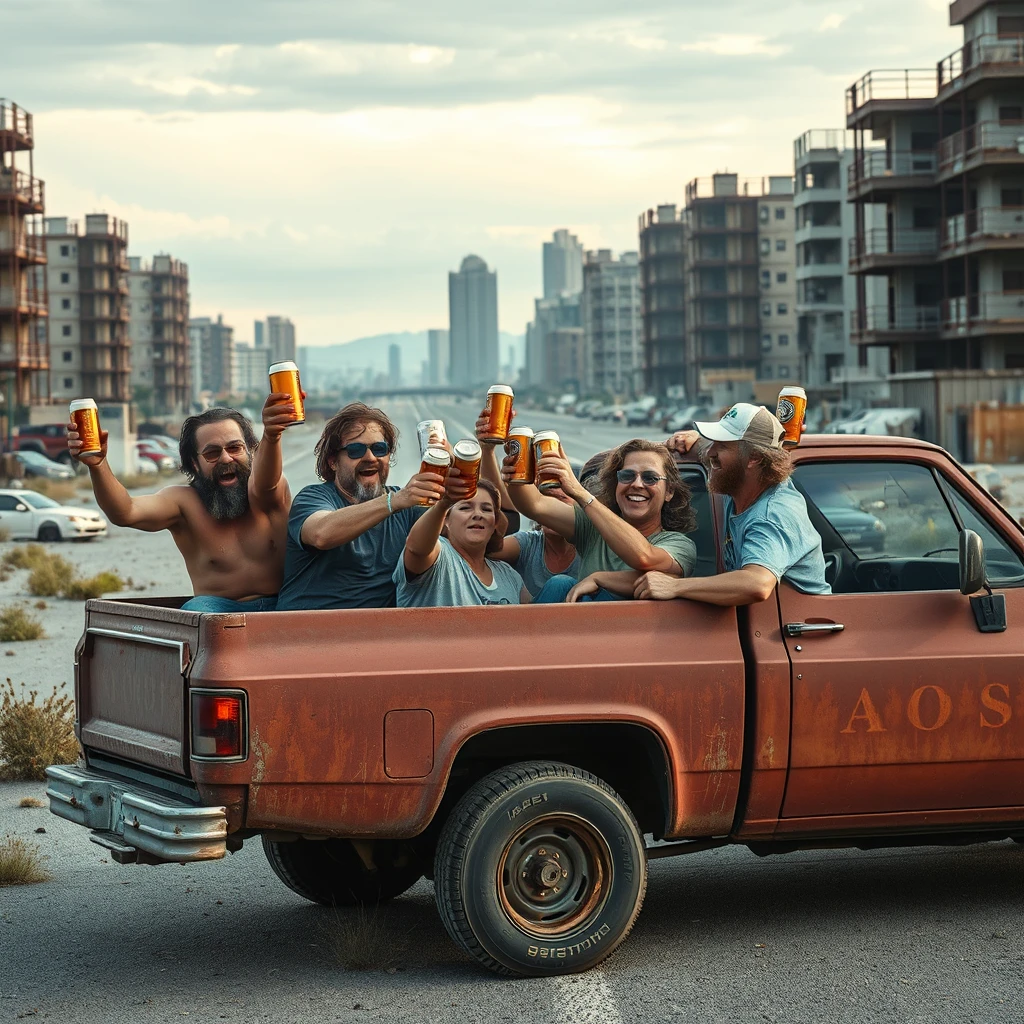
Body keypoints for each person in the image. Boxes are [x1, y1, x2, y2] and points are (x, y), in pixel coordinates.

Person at [66, 397, 294, 612]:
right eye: (212, 453)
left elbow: (266, 483)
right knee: (196, 613)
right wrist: (98, 465)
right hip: (218, 613)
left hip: (285, 604)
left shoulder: (268, 492)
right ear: (194, 464)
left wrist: (272, 435)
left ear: (251, 451)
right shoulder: (183, 504)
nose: (226, 458)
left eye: (235, 448)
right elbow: (126, 512)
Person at [634, 402, 829, 605]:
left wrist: (673, 586)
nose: (711, 453)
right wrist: (696, 439)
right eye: (713, 442)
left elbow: (757, 583)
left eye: (722, 445)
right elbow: (707, 452)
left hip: (797, 631)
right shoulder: (741, 481)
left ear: (754, 458)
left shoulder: (772, 513)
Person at [275, 402, 450, 610]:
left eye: (379, 449)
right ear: (333, 461)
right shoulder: (313, 497)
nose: (370, 458)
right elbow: (321, 534)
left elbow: (466, 532)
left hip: (375, 635)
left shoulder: (408, 506)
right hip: (307, 632)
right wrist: (394, 501)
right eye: (355, 450)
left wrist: (456, 472)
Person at [504, 438, 697, 603]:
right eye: (627, 476)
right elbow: (534, 504)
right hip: (579, 636)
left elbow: (644, 558)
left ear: (669, 491)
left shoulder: (679, 544)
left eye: (650, 478)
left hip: (633, 640)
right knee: (560, 584)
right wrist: (516, 465)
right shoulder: (592, 528)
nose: (637, 484)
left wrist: (599, 578)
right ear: (616, 485)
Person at [474, 411, 582, 598]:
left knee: (561, 584)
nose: (551, 509)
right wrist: (487, 450)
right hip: (534, 625)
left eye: (561, 501)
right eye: (546, 499)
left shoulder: (591, 543)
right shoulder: (529, 544)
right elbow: (484, 547)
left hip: (585, 625)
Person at [394, 477, 529, 607]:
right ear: (446, 520)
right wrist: (444, 503)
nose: (478, 514)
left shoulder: (509, 575)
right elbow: (416, 548)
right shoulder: (439, 555)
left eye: (486, 509)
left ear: (495, 523)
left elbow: (538, 616)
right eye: (465, 508)